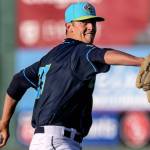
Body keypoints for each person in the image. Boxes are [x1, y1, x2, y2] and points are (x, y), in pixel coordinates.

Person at [0, 1, 145, 150]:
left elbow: (18, 82)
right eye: (84, 22)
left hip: (51, 141)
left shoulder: (50, 57)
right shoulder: (80, 52)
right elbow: (104, 54)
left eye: (93, 22)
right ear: (69, 26)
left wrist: (4, 123)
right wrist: (141, 61)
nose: (91, 27)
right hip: (56, 142)